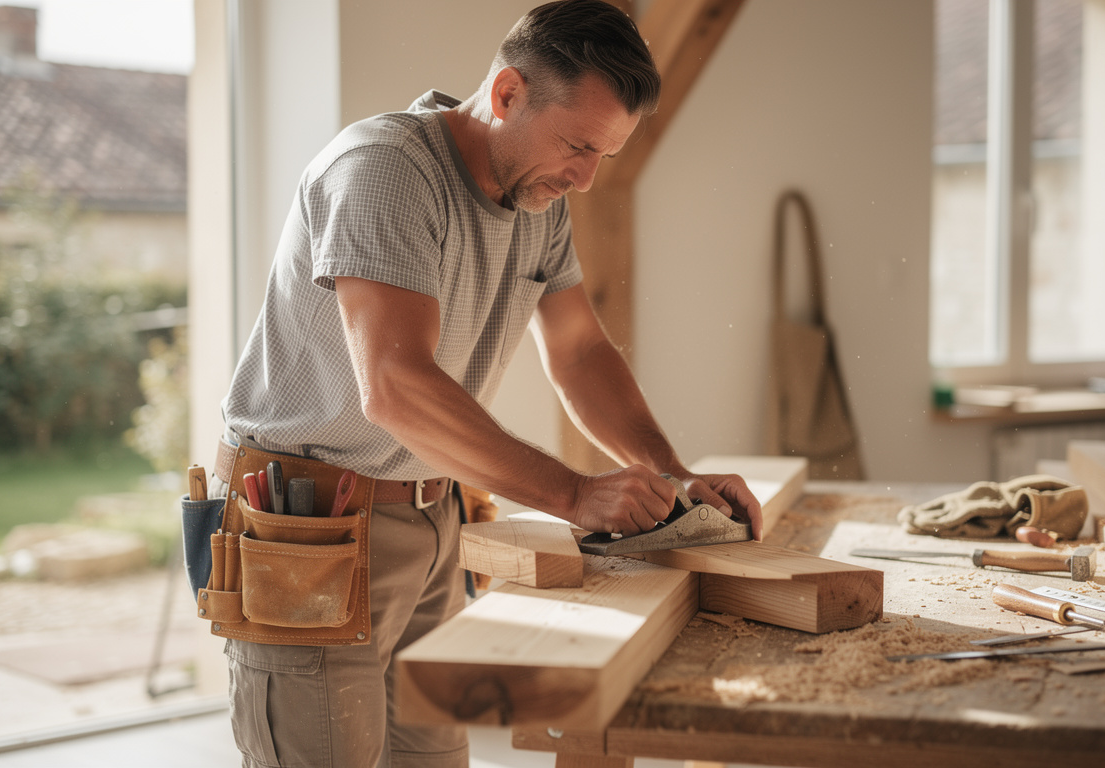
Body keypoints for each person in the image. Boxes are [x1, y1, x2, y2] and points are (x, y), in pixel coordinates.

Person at [217, 1, 762, 766]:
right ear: (507, 94)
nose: (585, 178)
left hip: (432, 516)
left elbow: (579, 352)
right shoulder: (383, 171)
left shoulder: (540, 194)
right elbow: (395, 386)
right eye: (578, 146)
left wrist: (674, 478)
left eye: (603, 157)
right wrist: (574, 494)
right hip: (311, 524)